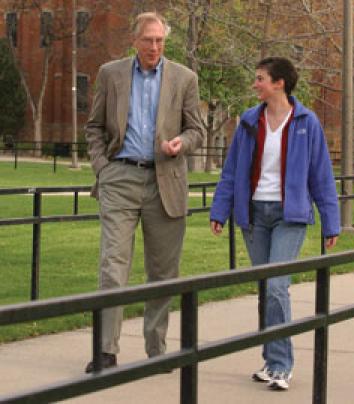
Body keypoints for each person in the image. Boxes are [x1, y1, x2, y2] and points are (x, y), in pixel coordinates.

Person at [210, 57, 339, 390]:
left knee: (277, 286)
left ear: (279, 82)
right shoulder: (250, 122)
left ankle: (282, 365)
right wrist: (219, 211)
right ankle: (271, 360)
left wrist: (331, 223)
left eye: (260, 79)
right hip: (254, 215)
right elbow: (231, 171)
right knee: (267, 289)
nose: (255, 84)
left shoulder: (307, 122)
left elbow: (321, 176)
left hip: (289, 216)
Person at [85, 12, 204, 373]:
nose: (154, 47)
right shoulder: (111, 73)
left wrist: (180, 143)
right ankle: (105, 350)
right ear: (134, 40)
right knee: (112, 266)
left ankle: (157, 351)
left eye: (160, 41)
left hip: (165, 180)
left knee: (163, 271)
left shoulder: (185, 77)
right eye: (148, 40)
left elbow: (196, 129)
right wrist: (103, 169)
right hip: (120, 176)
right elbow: (94, 127)